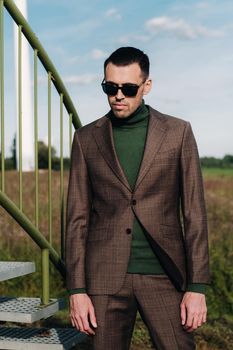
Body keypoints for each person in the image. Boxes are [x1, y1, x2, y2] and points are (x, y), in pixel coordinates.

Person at [65, 46, 210, 350]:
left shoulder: (178, 132)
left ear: (147, 86)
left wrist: (197, 287)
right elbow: (76, 219)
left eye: (128, 88)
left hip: (165, 274)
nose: (118, 95)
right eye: (110, 87)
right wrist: (77, 290)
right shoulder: (86, 138)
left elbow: (194, 213)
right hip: (103, 277)